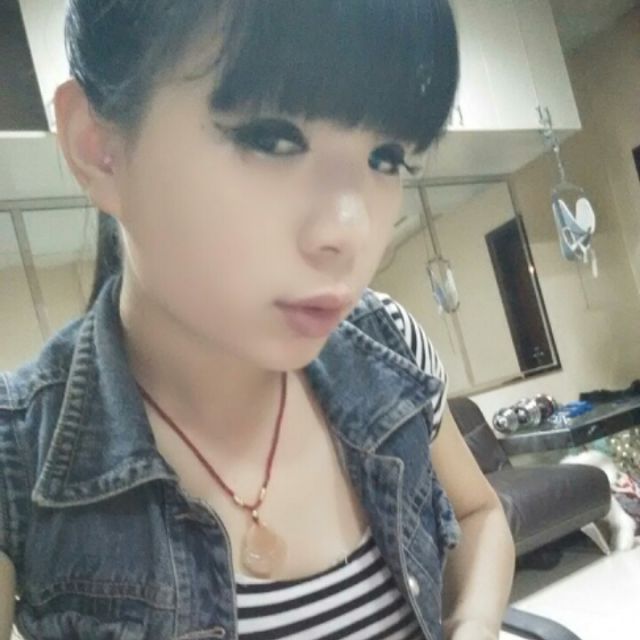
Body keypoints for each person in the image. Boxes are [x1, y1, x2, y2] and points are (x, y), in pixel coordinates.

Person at [0, 2, 515, 639]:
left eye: (387, 157)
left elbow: (480, 512)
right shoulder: (18, 456)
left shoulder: (389, 345)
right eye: (272, 138)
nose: (350, 231)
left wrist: (473, 621)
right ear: (99, 148)